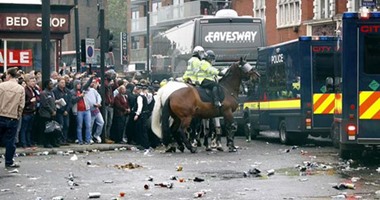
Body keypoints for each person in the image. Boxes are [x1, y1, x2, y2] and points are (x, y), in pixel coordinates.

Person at [0, 67, 25, 168]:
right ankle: (9, 161)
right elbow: (21, 105)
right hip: (12, 117)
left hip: (0, 115)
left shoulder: (1, 86)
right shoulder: (20, 89)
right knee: (11, 141)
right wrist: (18, 116)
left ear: (9, 75)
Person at [71, 76, 93, 145]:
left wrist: (91, 78)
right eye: (78, 84)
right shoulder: (72, 92)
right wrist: (80, 96)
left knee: (88, 125)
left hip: (86, 109)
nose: (79, 85)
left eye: (80, 84)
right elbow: (73, 100)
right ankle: (80, 140)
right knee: (79, 126)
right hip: (79, 111)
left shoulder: (82, 89)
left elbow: (87, 84)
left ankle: (87, 140)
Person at [19, 75, 37, 148]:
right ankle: (24, 143)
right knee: (24, 128)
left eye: (34, 81)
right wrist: (30, 101)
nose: (34, 83)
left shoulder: (32, 90)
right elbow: (23, 102)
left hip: (32, 111)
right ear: (27, 82)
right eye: (32, 81)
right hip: (26, 112)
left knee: (29, 129)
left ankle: (29, 142)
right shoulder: (25, 90)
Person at [39, 80, 58, 148]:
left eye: (52, 84)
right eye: (50, 84)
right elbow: (45, 104)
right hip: (45, 114)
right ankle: (46, 143)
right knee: (46, 129)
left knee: (52, 129)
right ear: (47, 85)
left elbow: (53, 102)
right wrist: (51, 111)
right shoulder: (44, 93)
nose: (52, 85)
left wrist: (55, 110)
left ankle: (52, 142)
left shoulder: (52, 93)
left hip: (52, 113)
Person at [52, 77, 72, 145]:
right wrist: (62, 110)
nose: (63, 84)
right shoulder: (55, 91)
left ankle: (64, 139)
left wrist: (67, 110)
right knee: (60, 125)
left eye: (64, 82)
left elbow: (70, 101)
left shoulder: (67, 91)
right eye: (61, 82)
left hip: (66, 111)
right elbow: (55, 101)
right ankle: (59, 139)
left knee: (66, 125)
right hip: (59, 111)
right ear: (58, 83)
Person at [132, 84, 150, 150]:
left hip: (141, 115)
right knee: (144, 129)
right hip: (145, 114)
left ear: (139, 90)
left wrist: (137, 114)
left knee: (141, 129)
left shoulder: (139, 97)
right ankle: (146, 144)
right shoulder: (144, 96)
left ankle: (144, 144)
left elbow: (140, 106)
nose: (135, 91)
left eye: (136, 90)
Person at [86, 79, 104, 143]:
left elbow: (98, 96)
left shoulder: (93, 90)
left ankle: (96, 135)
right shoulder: (84, 91)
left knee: (101, 122)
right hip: (89, 110)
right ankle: (89, 137)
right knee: (90, 125)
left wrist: (98, 102)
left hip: (96, 109)